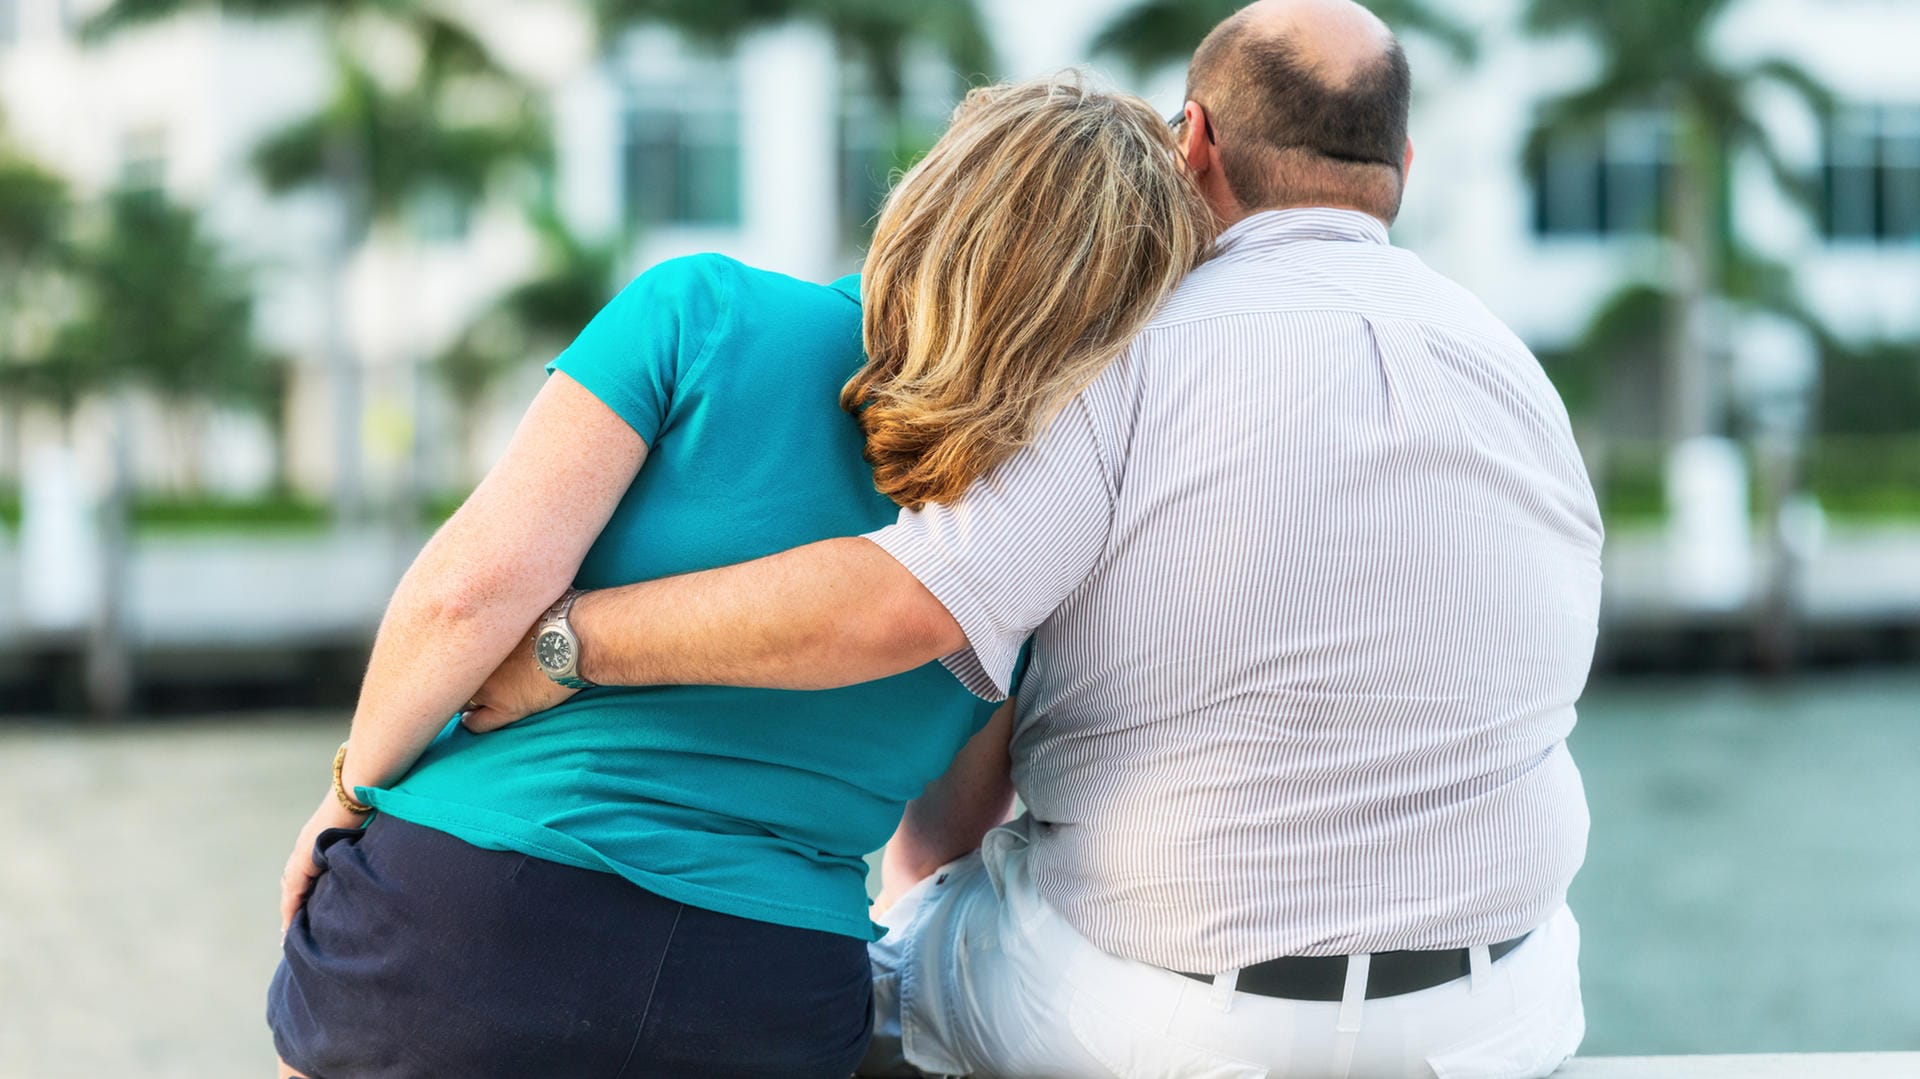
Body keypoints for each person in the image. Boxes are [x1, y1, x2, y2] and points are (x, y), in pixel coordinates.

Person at [465, 1, 1606, 1076]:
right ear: (1400, 172)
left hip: (1170, 1019)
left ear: (1191, 142)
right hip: (1495, 1014)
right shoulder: (1512, 371)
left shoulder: (1132, 358)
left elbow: (898, 604)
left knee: (888, 951)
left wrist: (571, 640)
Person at [265, 73, 1209, 1079]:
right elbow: (943, 836)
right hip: (765, 993)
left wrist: (346, 795)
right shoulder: (1043, 532)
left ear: (928, 194)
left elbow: (466, 594)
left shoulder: (704, 313)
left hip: (460, 929)